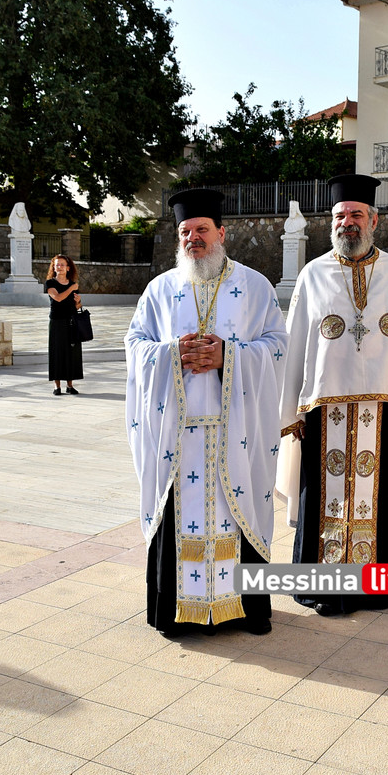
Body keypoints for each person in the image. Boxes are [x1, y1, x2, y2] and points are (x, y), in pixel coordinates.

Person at [126, 189, 287, 636]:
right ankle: (175, 612)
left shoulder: (256, 286)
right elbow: (135, 345)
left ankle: (248, 609)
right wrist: (171, 353)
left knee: (243, 513)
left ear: (221, 233)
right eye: (185, 232)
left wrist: (228, 357)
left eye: (201, 230)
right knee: (176, 517)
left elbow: (278, 346)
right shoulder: (160, 290)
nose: (193, 239)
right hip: (178, 437)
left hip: (236, 432)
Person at [276, 174, 388, 615]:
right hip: (322, 413)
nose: (347, 223)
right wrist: (293, 410)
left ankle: (373, 587)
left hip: (381, 411)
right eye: (339, 216)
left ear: (374, 219)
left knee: (377, 497)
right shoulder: (313, 274)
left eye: (355, 215)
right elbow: (297, 346)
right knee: (322, 499)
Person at [45, 254, 83, 395]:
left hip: (71, 322)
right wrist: (72, 288)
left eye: (62, 264)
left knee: (71, 353)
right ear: (53, 268)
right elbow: (58, 298)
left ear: (68, 268)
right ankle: (57, 386)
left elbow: (77, 306)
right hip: (56, 322)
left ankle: (70, 385)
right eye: (57, 264)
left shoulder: (73, 284)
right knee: (57, 352)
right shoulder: (50, 283)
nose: (59, 267)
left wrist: (78, 301)